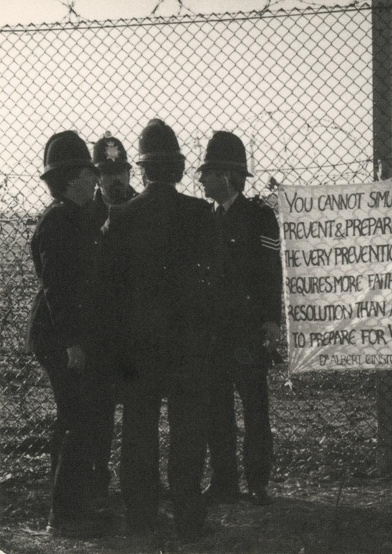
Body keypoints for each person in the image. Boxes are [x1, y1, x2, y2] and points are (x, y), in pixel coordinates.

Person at [98, 119, 215, 541]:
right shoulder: (202, 215)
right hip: (189, 342)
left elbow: (107, 291)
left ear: (142, 170)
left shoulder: (120, 217)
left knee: (138, 430)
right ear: (180, 170)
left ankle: (141, 517)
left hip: (137, 344)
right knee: (188, 429)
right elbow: (215, 282)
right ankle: (188, 516)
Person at [197, 131, 282, 506]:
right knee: (217, 411)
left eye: (208, 173)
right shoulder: (204, 217)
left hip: (247, 331)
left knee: (255, 411)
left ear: (228, 176)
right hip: (214, 333)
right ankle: (224, 482)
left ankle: (258, 482)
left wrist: (271, 321)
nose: (201, 179)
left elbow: (269, 273)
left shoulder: (259, 218)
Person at [26, 130, 103, 538]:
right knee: (78, 419)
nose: (95, 179)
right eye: (90, 172)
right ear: (72, 177)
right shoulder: (59, 221)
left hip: (64, 332)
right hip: (59, 336)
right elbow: (57, 286)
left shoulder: (76, 214)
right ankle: (65, 517)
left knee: (71, 419)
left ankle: (69, 507)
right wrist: (73, 341)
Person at [85, 132, 136, 503]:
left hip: (135, 329)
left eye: (121, 172)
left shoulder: (143, 207)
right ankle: (97, 483)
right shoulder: (85, 214)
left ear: (131, 173)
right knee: (99, 413)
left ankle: (138, 482)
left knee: (138, 411)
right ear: (96, 176)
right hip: (101, 330)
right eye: (107, 172)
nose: (116, 179)